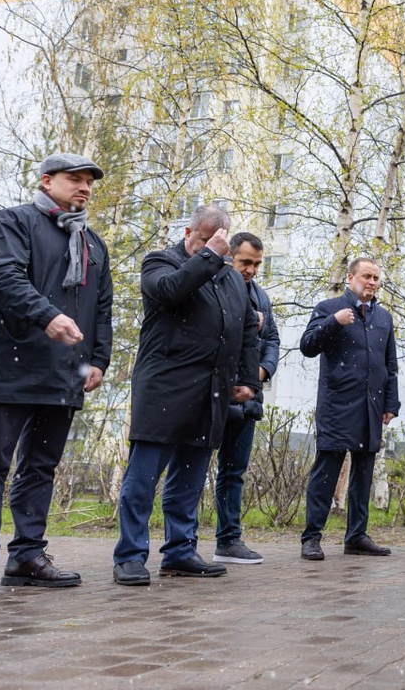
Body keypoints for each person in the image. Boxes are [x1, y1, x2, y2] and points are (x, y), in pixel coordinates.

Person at [0, 153, 112, 597]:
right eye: (74, 179)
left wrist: (97, 359)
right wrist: (47, 315)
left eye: (88, 182)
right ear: (47, 181)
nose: (83, 188)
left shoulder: (93, 243)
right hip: (14, 364)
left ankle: (27, 555)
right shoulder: (15, 222)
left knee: (40, 467)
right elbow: (2, 276)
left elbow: (101, 307)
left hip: (65, 374)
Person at [112, 204, 261, 586]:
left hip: (211, 392)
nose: (211, 248)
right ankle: (129, 556)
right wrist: (210, 254)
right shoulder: (160, 262)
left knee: (189, 480)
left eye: (217, 241)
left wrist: (247, 379)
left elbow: (245, 329)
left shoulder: (230, 279)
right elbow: (171, 291)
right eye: (204, 239)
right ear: (188, 232)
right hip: (164, 387)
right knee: (142, 479)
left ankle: (180, 552)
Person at [298, 257, 400, 560]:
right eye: (366, 276)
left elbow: (389, 365)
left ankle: (356, 536)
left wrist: (391, 403)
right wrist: (333, 322)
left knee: (364, 472)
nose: (371, 282)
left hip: (371, 405)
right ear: (350, 277)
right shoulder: (329, 308)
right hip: (337, 404)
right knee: (326, 470)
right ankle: (312, 537)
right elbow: (307, 346)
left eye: (376, 278)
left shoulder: (383, 317)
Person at [212, 232, 280, 565]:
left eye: (256, 264)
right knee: (188, 469)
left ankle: (228, 540)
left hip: (247, 399)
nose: (251, 270)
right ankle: (178, 543)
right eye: (245, 262)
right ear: (229, 257)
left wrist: (258, 378)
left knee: (233, 472)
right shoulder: (213, 286)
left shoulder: (262, 297)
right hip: (211, 395)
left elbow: (272, 342)